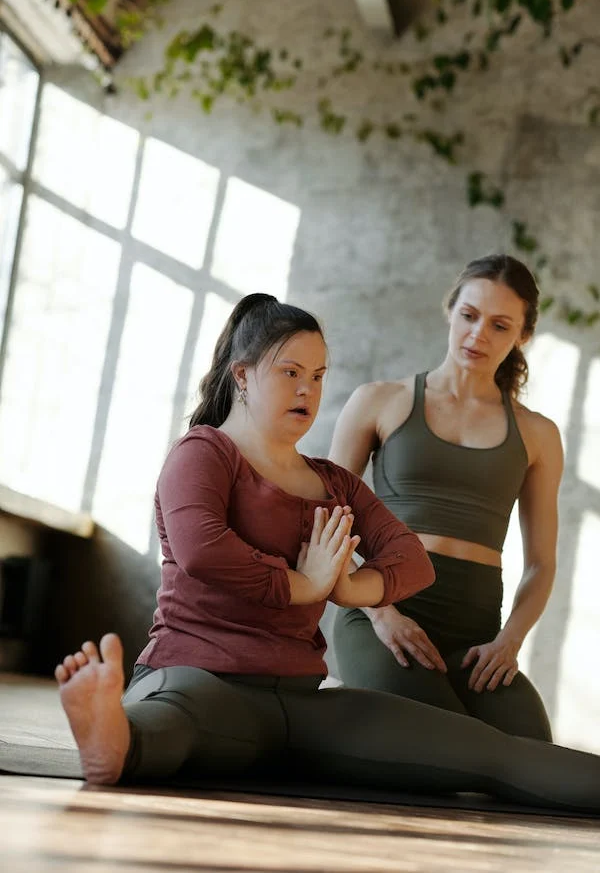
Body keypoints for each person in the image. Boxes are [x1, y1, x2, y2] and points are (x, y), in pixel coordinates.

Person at [55, 293, 600, 814]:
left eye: (318, 377)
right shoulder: (203, 452)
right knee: (169, 728)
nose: (307, 391)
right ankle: (113, 737)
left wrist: (347, 587)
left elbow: (411, 559)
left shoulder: (332, 482)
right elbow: (203, 551)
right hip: (200, 677)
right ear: (242, 376)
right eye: (290, 373)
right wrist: (304, 586)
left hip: (302, 702)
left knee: (489, 752)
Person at [330, 254, 561, 742]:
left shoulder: (538, 434)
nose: (478, 335)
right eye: (469, 316)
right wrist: (380, 613)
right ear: (450, 311)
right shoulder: (379, 401)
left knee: (532, 747)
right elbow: (325, 521)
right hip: (383, 616)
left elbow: (542, 563)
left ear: (522, 337)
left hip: (477, 639)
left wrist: (509, 642)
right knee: (446, 744)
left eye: (500, 326)